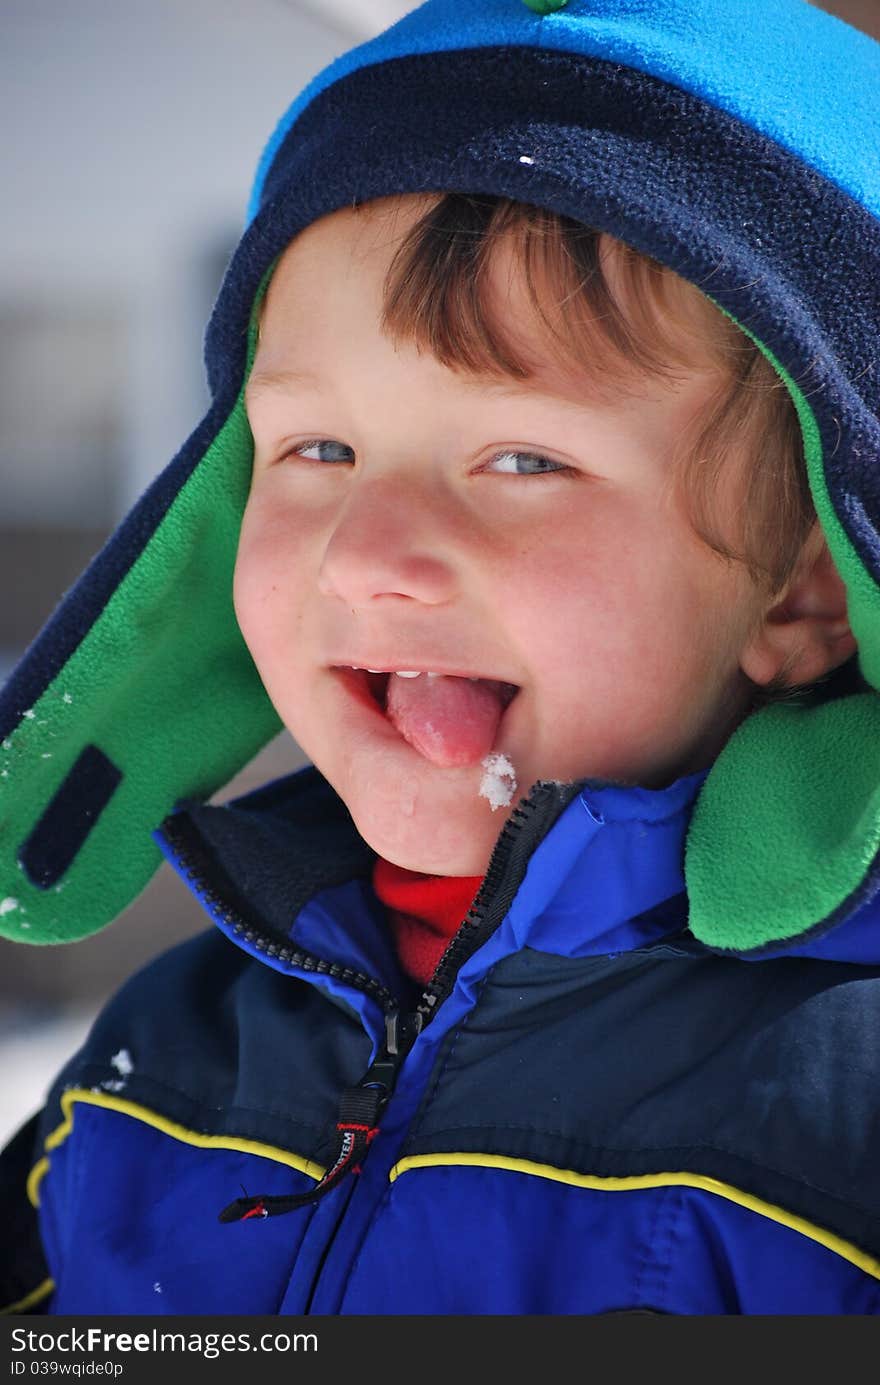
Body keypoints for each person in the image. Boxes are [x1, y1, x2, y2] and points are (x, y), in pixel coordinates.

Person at [1, 0, 879, 1315]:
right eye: (318, 450)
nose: (372, 552)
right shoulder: (161, 1058)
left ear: (811, 577)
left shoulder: (844, 1125)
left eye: (522, 459)